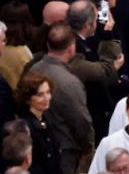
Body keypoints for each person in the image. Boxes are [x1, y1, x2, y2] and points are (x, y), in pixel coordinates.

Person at [30, 22, 95, 173]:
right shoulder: (70, 83)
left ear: (48, 44)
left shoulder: (33, 69)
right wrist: (88, 148)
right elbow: (81, 121)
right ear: (71, 48)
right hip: (64, 151)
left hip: (38, 146)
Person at [14, 72, 62, 174]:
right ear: (28, 99)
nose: (46, 98)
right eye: (40, 95)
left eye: (48, 92)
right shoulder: (23, 127)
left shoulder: (47, 119)